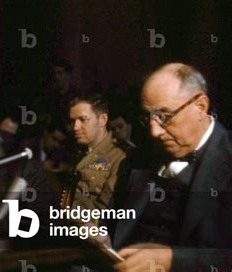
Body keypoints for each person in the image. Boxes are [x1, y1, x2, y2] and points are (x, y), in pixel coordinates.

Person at [112, 63, 232, 271]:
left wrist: (173, 261)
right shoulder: (137, 160)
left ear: (201, 106)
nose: (154, 131)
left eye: (164, 117)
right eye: (147, 118)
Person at [61, 94, 126, 224]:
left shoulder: (118, 157)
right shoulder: (79, 152)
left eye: (83, 119)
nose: (75, 127)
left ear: (102, 119)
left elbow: (107, 211)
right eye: (72, 121)